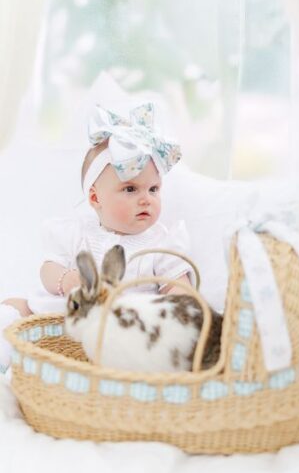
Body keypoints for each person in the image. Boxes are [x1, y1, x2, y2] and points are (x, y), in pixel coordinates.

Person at [0, 103, 193, 372]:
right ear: (95, 198)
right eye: (130, 189)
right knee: (13, 308)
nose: (146, 199)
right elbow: (48, 268)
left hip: (118, 333)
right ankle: (8, 362)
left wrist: (173, 309)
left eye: (153, 189)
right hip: (62, 318)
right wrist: (67, 280)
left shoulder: (160, 244)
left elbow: (179, 290)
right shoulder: (78, 231)